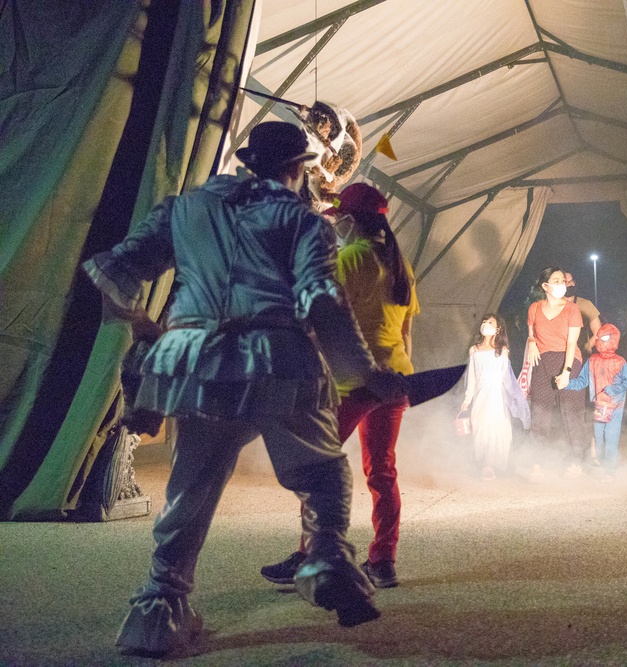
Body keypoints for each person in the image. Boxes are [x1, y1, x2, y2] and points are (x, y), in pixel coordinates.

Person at [82, 122, 401, 657]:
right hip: (278, 359)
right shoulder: (301, 220)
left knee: (192, 485)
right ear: (297, 168)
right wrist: (366, 374)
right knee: (321, 471)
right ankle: (326, 561)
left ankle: (156, 613)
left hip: (195, 361)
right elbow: (322, 302)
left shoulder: (183, 209)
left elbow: (111, 273)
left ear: (247, 160)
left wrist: (141, 326)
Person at [261, 182, 419, 590]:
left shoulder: (349, 259)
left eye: (338, 219)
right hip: (395, 381)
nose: (335, 226)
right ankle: (383, 561)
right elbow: (406, 331)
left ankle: (309, 554)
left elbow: (321, 318)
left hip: (353, 383)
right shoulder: (401, 265)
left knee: (315, 468)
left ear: (350, 220)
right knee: (382, 473)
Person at [524, 267, 591, 480]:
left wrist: (566, 372)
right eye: (556, 280)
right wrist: (532, 342)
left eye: (563, 280)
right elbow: (531, 332)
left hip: (568, 360)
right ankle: (537, 464)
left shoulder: (572, 309)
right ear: (545, 286)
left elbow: (572, 342)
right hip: (542, 363)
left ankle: (576, 462)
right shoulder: (534, 308)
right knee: (540, 412)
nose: (562, 283)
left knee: (571, 413)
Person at [460, 314, 530, 479]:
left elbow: (506, 378)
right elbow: (471, 378)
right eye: (484, 321)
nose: (486, 324)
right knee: (481, 429)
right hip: (480, 396)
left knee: (496, 428)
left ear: (497, 329)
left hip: (497, 397)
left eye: (490, 322)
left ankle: (489, 465)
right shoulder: (474, 350)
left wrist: (515, 399)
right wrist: (467, 399)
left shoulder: (502, 351)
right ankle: (483, 461)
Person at [562, 323, 627, 479]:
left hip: (616, 406)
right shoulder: (592, 360)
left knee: (611, 437)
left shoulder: (620, 362)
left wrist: (612, 390)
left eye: (605, 337)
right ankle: (604, 466)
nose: (601, 340)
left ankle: (610, 472)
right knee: (599, 438)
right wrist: (566, 384)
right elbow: (582, 381)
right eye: (599, 337)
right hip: (601, 405)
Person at [563, 271, 601, 353]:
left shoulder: (585, 304)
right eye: (565, 282)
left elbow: (598, 332)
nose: (569, 284)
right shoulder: (554, 306)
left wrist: (587, 348)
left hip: (582, 355)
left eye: (571, 281)